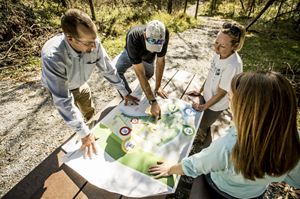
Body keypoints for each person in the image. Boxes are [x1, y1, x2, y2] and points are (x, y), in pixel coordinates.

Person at [149, 71, 300, 199]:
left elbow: (195, 164)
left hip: (219, 190)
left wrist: (170, 169)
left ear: (246, 111)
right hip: (254, 194)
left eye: (231, 99)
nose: (228, 98)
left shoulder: (228, 147)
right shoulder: (295, 141)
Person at [41, 9, 139, 158]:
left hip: (80, 84)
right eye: (88, 43)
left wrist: (124, 92)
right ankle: (83, 135)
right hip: (61, 87)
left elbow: (108, 69)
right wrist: (83, 133)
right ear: (70, 39)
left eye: (95, 40)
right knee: (75, 116)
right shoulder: (53, 57)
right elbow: (63, 100)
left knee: (89, 110)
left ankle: (90, 129)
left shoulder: (93, 42)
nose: (94, 47)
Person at [187, 22, 246, 147]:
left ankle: (204, 140)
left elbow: (221, 93)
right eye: (216, 43)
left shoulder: (232, 65)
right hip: (208, 96)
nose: (217, 48)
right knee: (199, 119)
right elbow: (211, 73)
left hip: (216, 104)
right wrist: (200, 90)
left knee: (203, 122)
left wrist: (204, 106)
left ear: (234, 47)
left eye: (223, 46)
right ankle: (201, 132)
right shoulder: (218, 54)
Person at [113, 20, 169, 118]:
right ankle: (128, 95)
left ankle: (136, 95)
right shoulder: (133, 36)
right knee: (116, 70)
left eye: (156, 47)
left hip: (147, 58)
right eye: (151, 45)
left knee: (149, 73)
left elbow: (160, 62)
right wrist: (153, 101)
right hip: (132, 51)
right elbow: (140, 74)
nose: (153, 50)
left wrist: (158, 86)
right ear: (144, 36)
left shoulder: (164, 33)